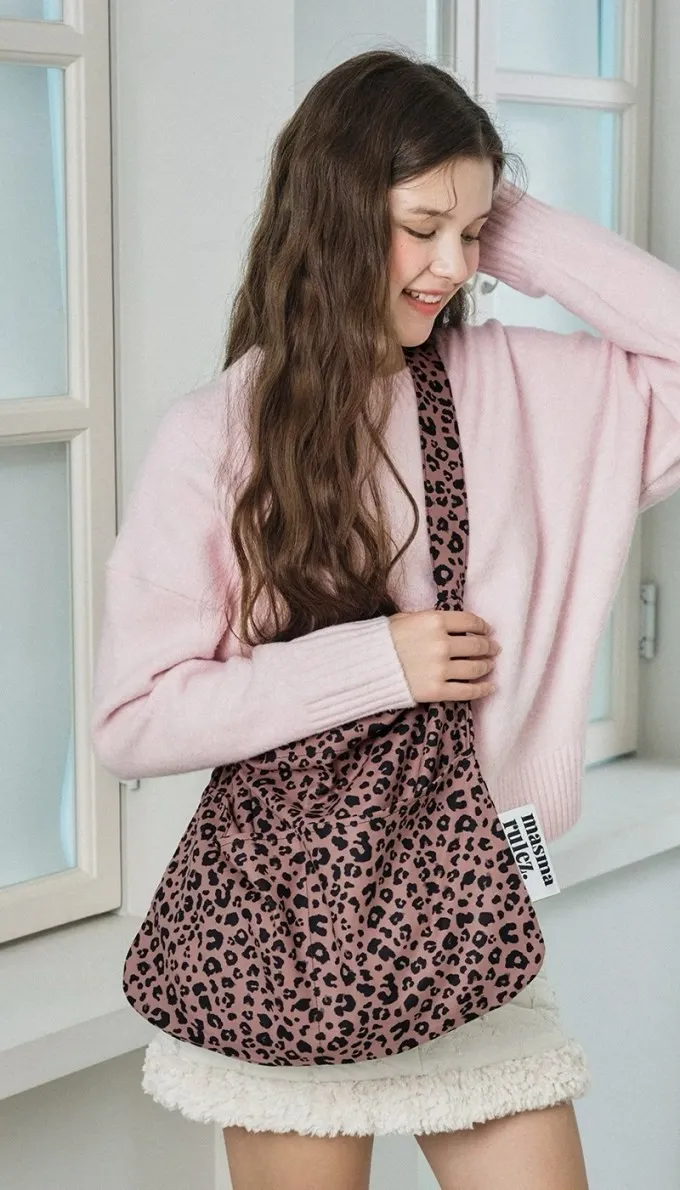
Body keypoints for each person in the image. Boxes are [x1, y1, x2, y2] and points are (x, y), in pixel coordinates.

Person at [91, 47, 680, 1190]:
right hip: (288, 939)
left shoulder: (520, 390)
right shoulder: (217, 433)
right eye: (419, 228)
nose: (450, 267)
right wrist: (376, 662)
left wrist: (504, 218)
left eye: (472, 236)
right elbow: (133, 717)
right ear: (334, 210)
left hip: (469, 915)